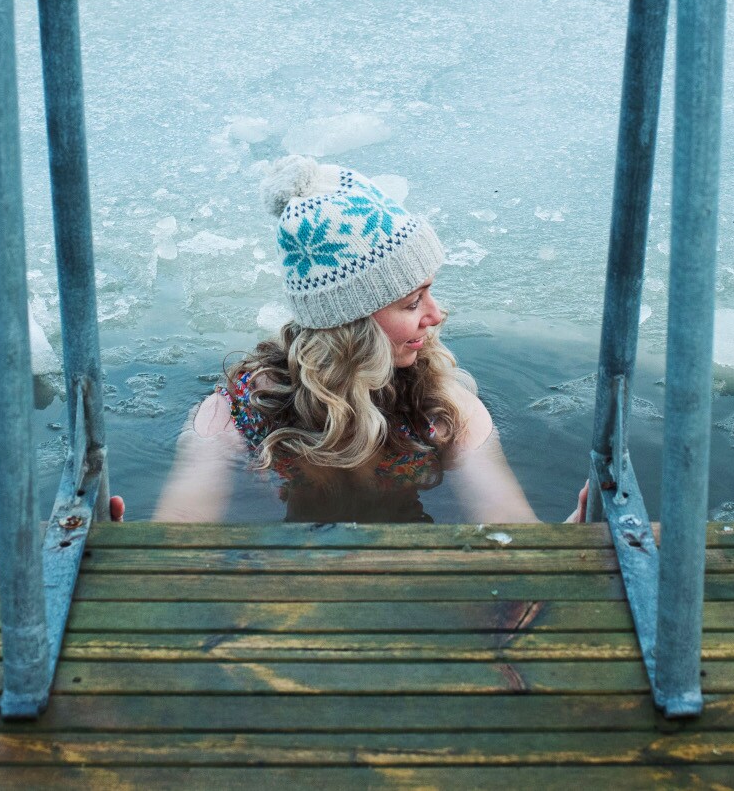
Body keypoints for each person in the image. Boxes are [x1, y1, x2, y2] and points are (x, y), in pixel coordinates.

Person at [141, 155, 581, 524]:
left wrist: (566, 543)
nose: (436, 314)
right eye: (413, 303)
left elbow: (507, 523)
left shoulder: (441, 408)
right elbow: (179, 527)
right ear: (351, 328)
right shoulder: (244, 410)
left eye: (430, 292)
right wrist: (126, 552)